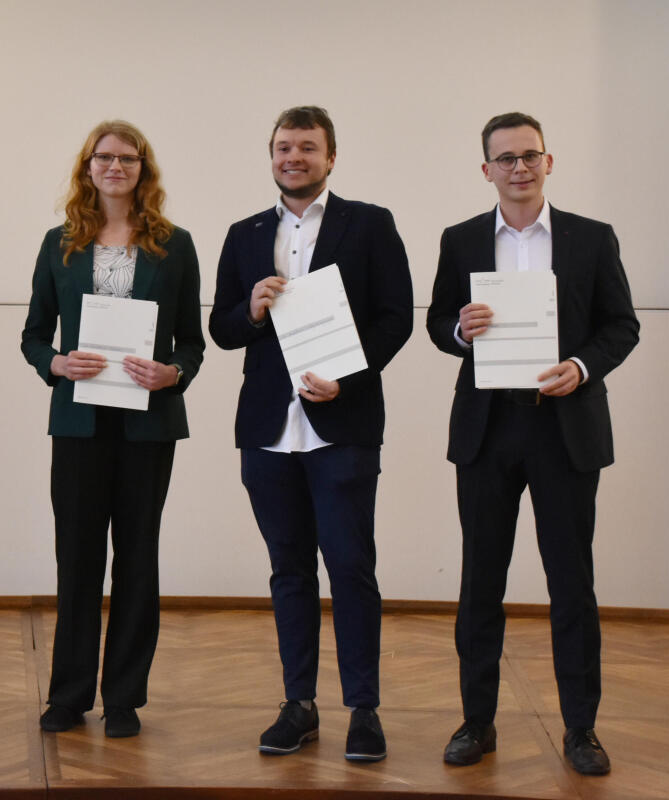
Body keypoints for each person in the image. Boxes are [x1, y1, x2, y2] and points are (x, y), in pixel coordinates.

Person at [426, 112, 639, 775]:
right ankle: (477, 722)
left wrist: (580, 366)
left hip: (565, 428)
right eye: (505, 158)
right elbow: (438, 321)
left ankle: (581, 730)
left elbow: (621, 326)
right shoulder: (461, 239)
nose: (518, 168)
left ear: (549, 161)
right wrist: (459, 330)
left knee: (572, 583)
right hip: (487, 430)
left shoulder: (592, 238)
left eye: (529, 155)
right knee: (480, 582)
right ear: (485, 170)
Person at [208, 106, 413, 762]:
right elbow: (221, 328)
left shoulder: (370, 224)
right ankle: (298, 704)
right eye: (282, 147)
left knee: (351, 568)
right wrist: (250, 310)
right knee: (288, 571)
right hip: (268, 431)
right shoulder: (245, 233)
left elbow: (396, 318)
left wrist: (347, 379)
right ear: (271, 156)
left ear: (331, 157)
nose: (293, 157)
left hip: (342, 427)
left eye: (306, 147)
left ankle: (363, 710)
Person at [21, 120, 204, 739]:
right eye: (104, 157)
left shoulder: (175, 245)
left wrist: (172, 372)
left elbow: (192, 342)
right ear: (88, 167)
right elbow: (33, 334)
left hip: (148, 427)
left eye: (128, 158)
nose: (116, 167)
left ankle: (124, 697)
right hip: (78, 423)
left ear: (143, 169)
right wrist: (56, 363)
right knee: (76, 559)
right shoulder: (59, 243)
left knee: (137, 560)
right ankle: (68, 696)